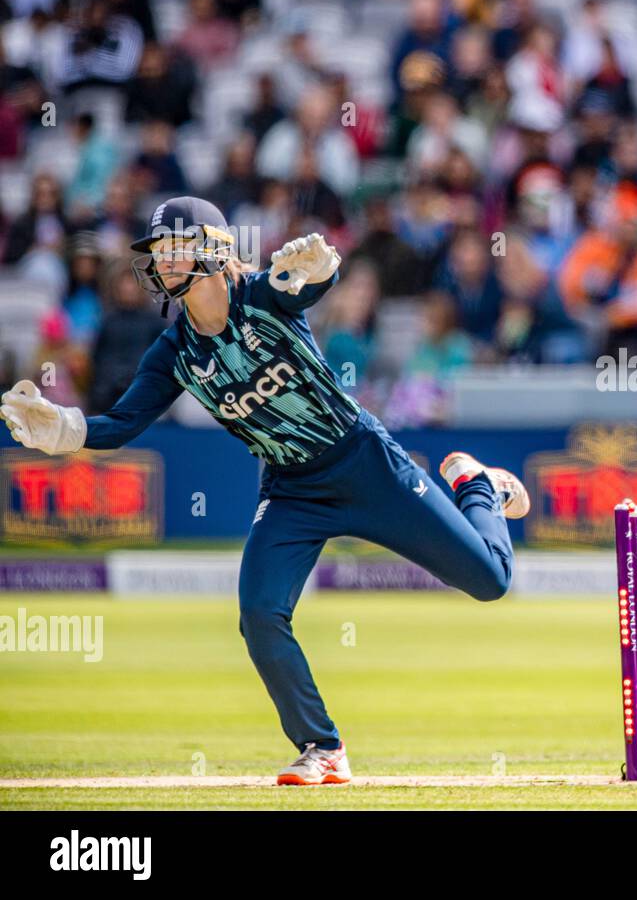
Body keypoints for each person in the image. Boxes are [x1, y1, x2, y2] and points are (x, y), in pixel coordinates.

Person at [0, 197, 528, 786]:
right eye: (159, 251)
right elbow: (122, 424)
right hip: (292, 489)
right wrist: (67, 430)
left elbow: (307, 287)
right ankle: (322, 746)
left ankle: (476, 484)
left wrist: (320, 270)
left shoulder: (263, 293)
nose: (164, 261)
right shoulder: (174, 352)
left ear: (213, 248)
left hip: (362, 461)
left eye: (176, 247)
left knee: (490, 581)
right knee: (259, 614)